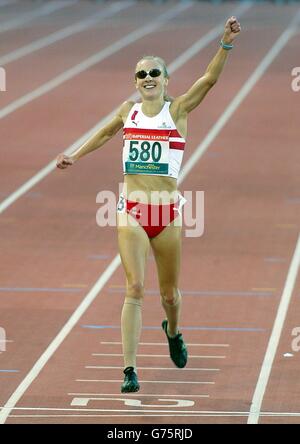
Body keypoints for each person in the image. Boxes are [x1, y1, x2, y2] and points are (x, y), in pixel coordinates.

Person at [56, 17, 241, 393]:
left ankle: (173, 331)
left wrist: (224, 44)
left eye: (155, 72)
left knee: (169, 294)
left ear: (167, 79)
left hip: (167, 213)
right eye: (141, 74)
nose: (148, 78)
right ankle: (129, 370)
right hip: (131, 211)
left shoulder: (179, 111)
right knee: (135, 287)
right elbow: (106, 132)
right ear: (136, 82)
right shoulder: (129, 111)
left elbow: (209, 80)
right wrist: (75, 155)